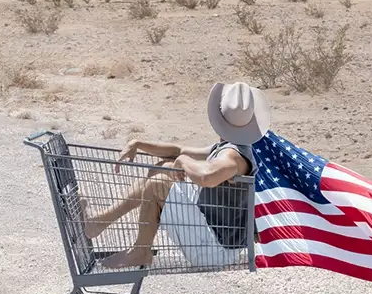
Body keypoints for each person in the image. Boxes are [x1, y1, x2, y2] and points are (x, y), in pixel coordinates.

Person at [83, 81, 270, 269]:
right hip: (210, 235)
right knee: (164, 168)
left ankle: (140, 252)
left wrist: (182, 161)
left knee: (158, 184)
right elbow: (179, 149)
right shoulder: (227, 146)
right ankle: (100, 222)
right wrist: (138, 143)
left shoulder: (233, 156)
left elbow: (207, 176)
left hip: (215, 250)